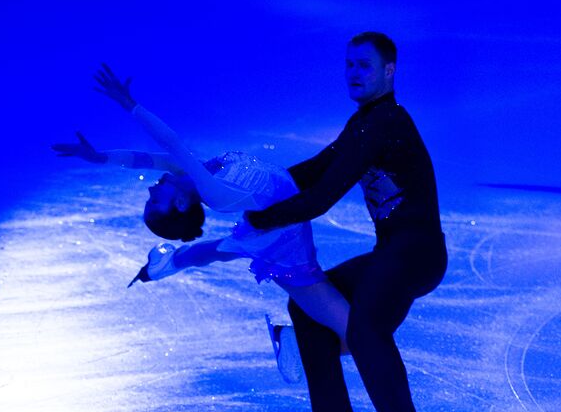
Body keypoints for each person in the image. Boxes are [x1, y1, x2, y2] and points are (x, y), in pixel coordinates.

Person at [53, 65, 353, 370]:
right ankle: (295, 345)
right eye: (155, 200)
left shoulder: (200, 173)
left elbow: (146, 159)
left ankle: (166, 264)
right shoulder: (213, 191)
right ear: (181, 203)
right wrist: (130, 105)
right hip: (285, 251)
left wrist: (99, 157)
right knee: (355, 335)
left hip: (277, 229)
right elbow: (171, 143)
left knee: (220, 251)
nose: (151, 187)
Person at [244, 32, 448, 412]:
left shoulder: (387, 121)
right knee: (307, 308)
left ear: (388, 72)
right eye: (349, 64)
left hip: (417, 252)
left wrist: (262, 218)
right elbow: (314, 171)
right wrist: (250, 187)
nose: (354, 73)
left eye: (365, 66)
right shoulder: (363, 123)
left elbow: (321, 197)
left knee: (364, 328)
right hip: (392, 252)